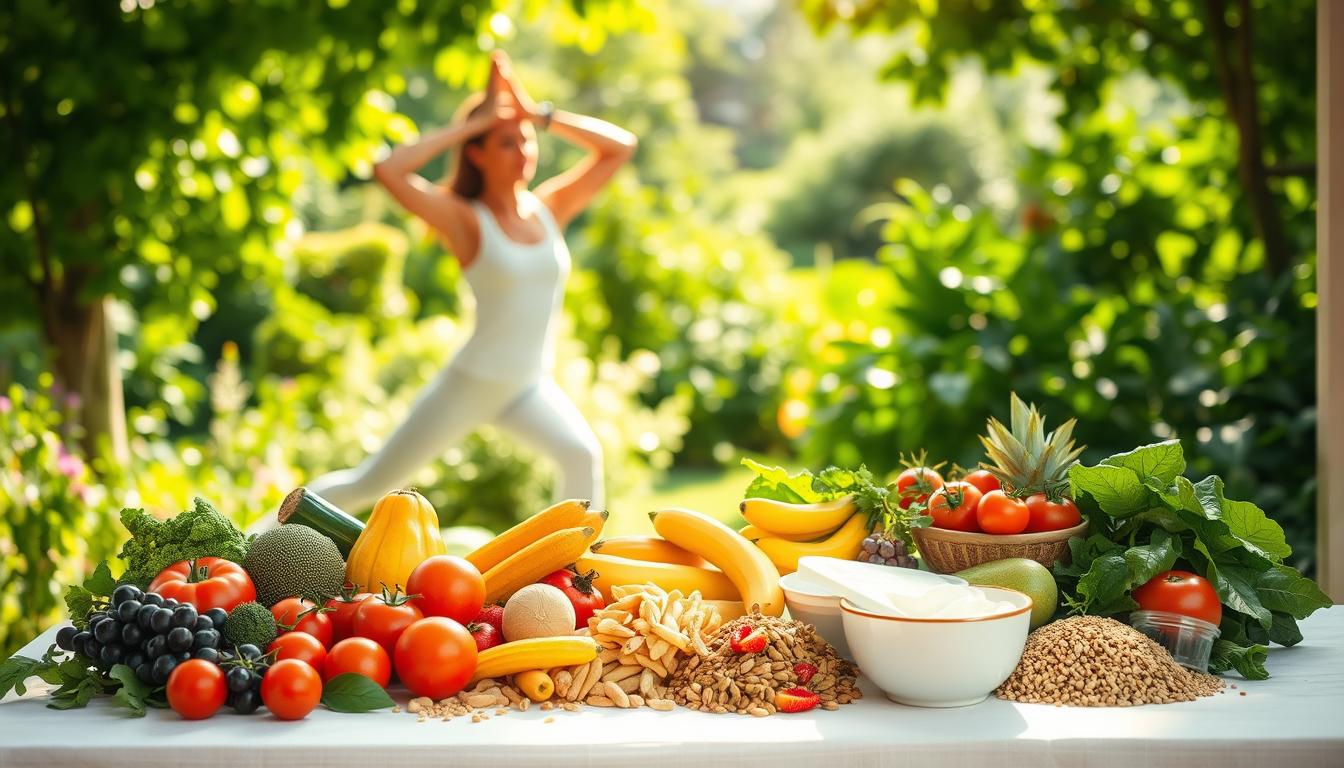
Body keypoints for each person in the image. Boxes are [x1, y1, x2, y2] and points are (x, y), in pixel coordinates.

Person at [305, 51, 636, 513]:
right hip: (471, 384)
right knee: (370, 484)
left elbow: (621, 147)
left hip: (528, 386)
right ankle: (262, 535)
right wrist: (472, 124)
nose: (524, 151)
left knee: (581, 454)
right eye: (506, 143)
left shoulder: (549, 209)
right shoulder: (466, 220)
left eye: (526, 140)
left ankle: (573, 559)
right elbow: (389, 170)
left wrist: (536, 114)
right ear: (477, 154)